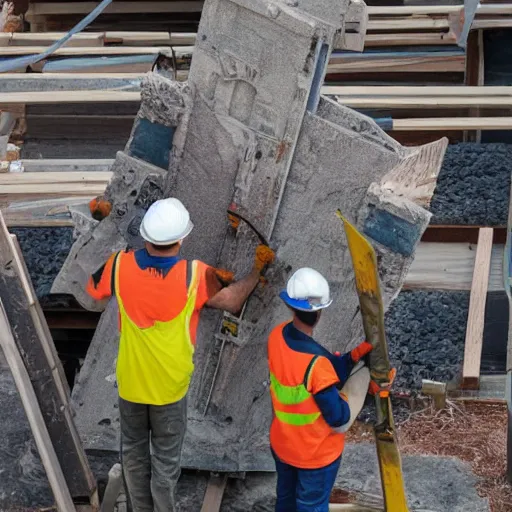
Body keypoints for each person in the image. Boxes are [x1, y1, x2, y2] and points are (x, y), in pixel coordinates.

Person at [86, 197, 275, 512]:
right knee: (165, 460)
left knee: (133, 454)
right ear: (182, 238)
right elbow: (230, 301)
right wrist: (256, 272)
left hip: (131, 384)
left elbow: (93, 292)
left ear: (146, 237)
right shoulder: (195, 275)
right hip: (170, 390)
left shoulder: (118, 264)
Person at [268, 267, 390, 512]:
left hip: (283, 444)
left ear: (291, 306)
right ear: (320, 312)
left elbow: (308, 361)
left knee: (286, 502)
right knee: (310, 506)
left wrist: (349, 359)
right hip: (314, 455)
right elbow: (339, 418)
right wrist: (362, 384)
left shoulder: (277, 336)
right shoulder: (318, 366)